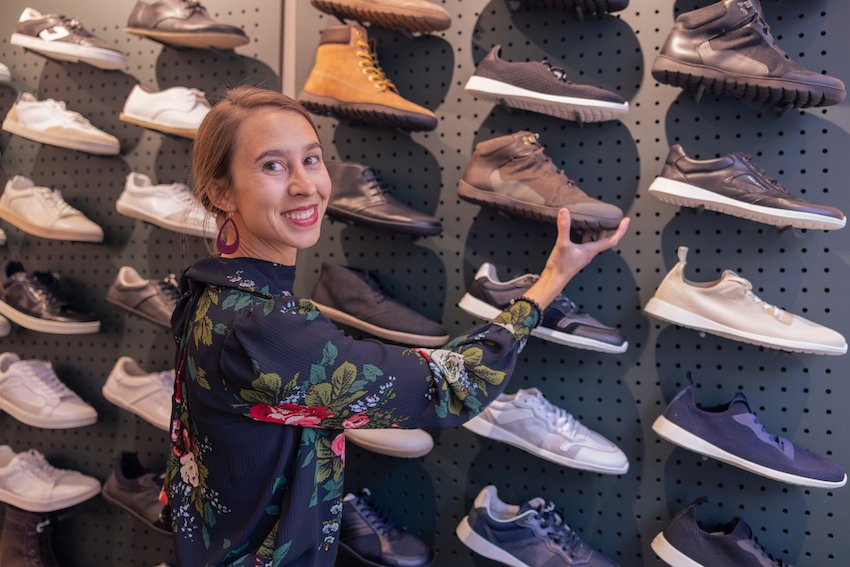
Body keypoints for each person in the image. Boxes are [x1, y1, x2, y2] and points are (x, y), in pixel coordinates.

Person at [165, 86, 629, 566]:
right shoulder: (261, 326)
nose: (306, 185)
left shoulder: (208, 295)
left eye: (312, 159)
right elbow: (451, 385)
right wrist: (546, 286)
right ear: (221, 191)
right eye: (272, 166)